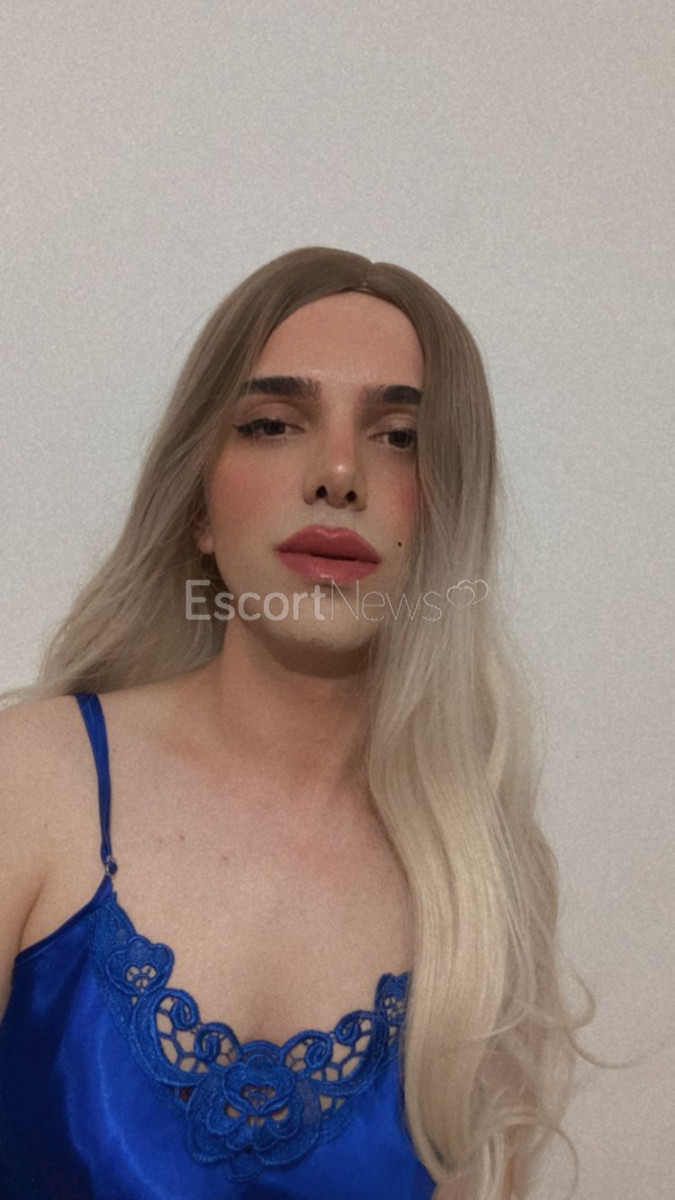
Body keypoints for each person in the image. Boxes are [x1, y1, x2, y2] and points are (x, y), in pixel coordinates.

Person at [0, 246, 600, 1198]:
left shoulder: (482, 891)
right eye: (274, 424)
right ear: (198, 505)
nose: (338, 473)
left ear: (443, 518)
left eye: (399, 436)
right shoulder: (26, 785)